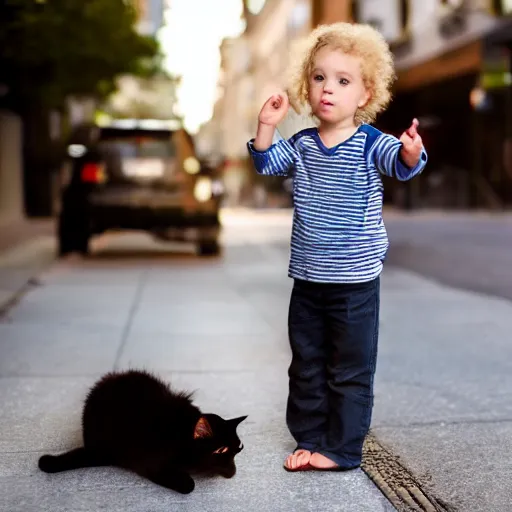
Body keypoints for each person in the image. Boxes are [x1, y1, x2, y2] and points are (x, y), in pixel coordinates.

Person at [246, 22, 427, 472]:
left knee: (348, 369)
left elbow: (402, 167)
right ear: (307, 86)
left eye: (343, 81)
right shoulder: (303, 144)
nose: (329, 89)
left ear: (365, 95)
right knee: (306, 365)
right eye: (320, 77)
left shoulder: (371, 143)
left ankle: (343, 448)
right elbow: (267, 163)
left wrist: (409, 152)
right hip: (307, 280)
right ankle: (310, 439)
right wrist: (266, 127)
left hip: (355, 284)